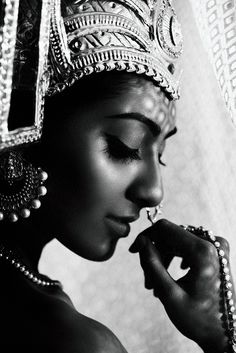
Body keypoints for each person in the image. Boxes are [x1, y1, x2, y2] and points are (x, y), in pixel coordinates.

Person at [0, 0, 235, 352]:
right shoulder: (76, 343)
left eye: (162, 157)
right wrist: (220, 338)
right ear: (28, 122)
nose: (154, 191)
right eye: (125, 146)